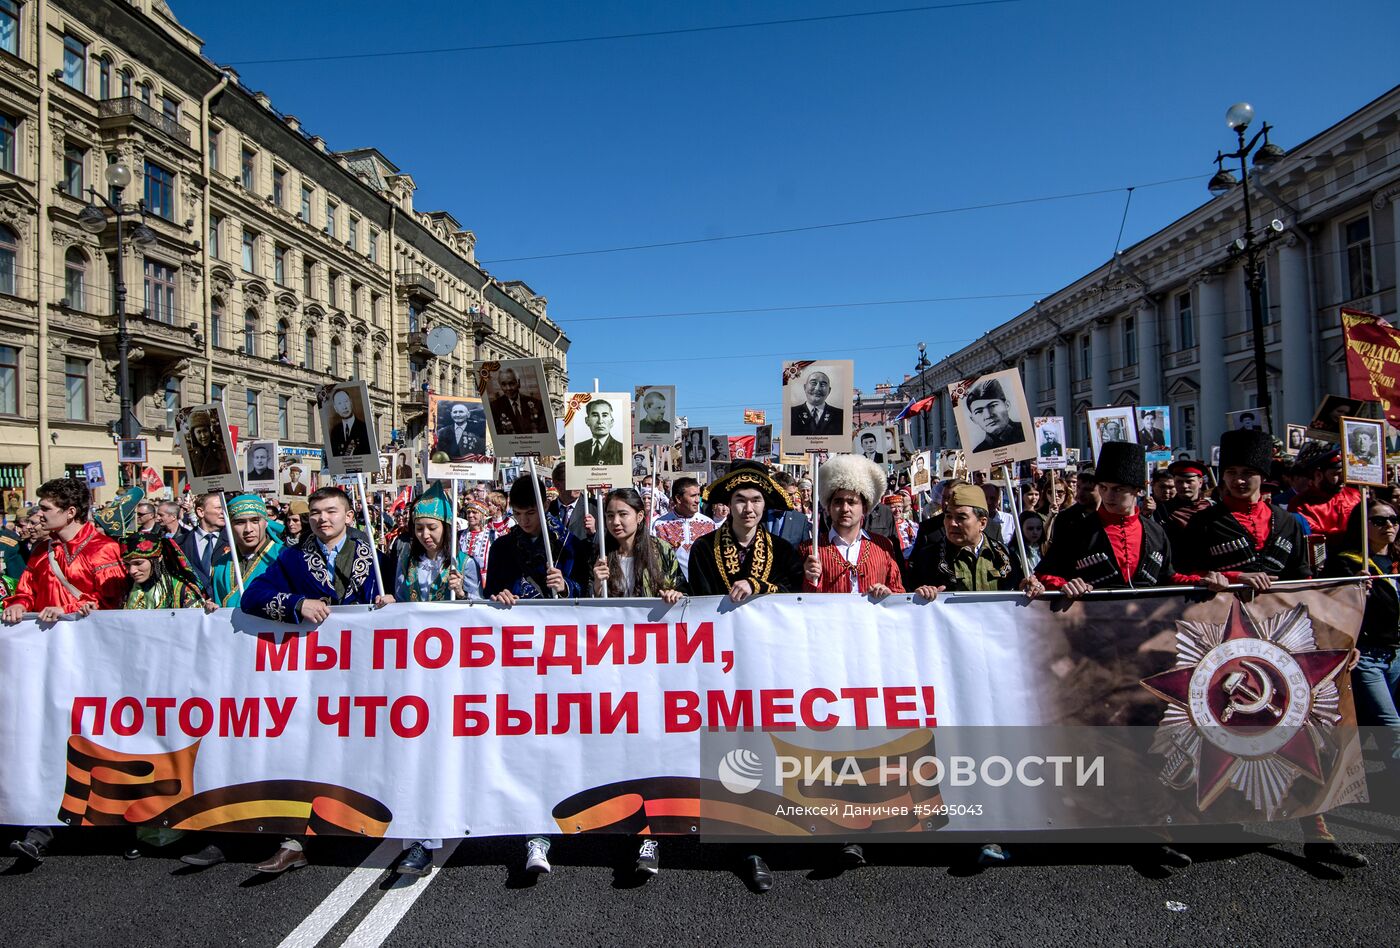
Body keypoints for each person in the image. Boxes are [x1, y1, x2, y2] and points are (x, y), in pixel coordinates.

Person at [239, 486, 393, 874]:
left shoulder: (378, 555)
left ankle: (388, 824)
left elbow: (406, 598)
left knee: (374, 747)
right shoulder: (292, 558)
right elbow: (252, 596)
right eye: (315, 513)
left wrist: (395, 603)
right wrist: (297, 604)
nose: (322, 519)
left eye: (331, 511)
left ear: (348, 516)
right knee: (309, 753)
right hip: (317, 673)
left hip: (370, 671)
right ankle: (295, 839)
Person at [683, 461, 802, 891]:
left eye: (755, 500)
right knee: (727, 742)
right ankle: (736, 831)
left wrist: (759, 586)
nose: (748, 508)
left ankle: (761, 833)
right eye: (740, 500)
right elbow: (696, 599)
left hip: (769, 665)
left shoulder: (786, 551)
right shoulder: (702, 549)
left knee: (765, 740)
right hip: (720, 664)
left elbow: (796, 598)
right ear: (727, 506)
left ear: (764, 505)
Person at [3, 478, 127, 867]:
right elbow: (26, 589)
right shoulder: (42, 550)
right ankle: (41, 828)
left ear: (70, 512)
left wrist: (74, 609)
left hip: (95, 667)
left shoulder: (104, 549)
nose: (38, 515)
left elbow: (114, 603)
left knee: (101, 742)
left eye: (46, 509)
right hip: (47, 666)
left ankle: (124, 825)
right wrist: (19, 605)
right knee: (48, 742)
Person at [1036, 443, 1222, 600]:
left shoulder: (1155, 531)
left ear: (1138, 490)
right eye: (1103, 487)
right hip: (1092, 625)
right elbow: (1043, 575)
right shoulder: (1077, 530)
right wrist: (1065, 585)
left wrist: (1201, 581)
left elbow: (1168, 577)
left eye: (1118, 489)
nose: (1108, 496)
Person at [1323, 499, 1400, 787]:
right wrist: (1349, 588)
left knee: (1367, 723)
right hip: (1366, 656)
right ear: (1362, 525)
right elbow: (1325, 604)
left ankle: (1332, 778)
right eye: (1379, 520)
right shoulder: (1346, 562)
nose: (1389, 525)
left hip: (1397, 654)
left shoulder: (1396, 560)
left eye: (1393, 519)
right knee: (1392, 727)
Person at [1177, 430, 1310, 581]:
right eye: (1231, 472)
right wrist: (1234, 577)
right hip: (1223, 602)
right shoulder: (1204, 521)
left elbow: (1301, 574)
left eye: (1247, 473)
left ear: (1263, 476)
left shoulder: (1287, 521)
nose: (1238, 480)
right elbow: (1185, 572)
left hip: (1279, 603)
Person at [799, 455, 904, 598]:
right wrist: (810, 581)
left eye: (852, 502)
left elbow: (899, 594)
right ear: (828, 508)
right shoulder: (810, 550)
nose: (845, 508)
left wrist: (888, 594)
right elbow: (798, 605)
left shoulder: (883, 546)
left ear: (864, 508)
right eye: (838, 502)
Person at [209, 494, 286, 609]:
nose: (248, 529)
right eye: (240, 522)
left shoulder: (285, 558)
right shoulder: (220, 566)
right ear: (229, 526)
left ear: (265, 522)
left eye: (255, 521)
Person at [1289, 443, 1362, 545]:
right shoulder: (1300, 504)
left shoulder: (1355, 496)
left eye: (1344, 474)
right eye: (1336, 474)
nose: (1342, 479)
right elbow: (1313, 536)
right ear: (1318, 475)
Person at [651, 476, 717, 580]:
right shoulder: (660, 525)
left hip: (703, 586)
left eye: (698, 495)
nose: (697, 500)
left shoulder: (709, 524)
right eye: (693, 496)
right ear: (678, 498)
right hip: (673, 588)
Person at [121, 532, 208, 610]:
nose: (132, 571)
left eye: (138, 563)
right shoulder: (128, 589)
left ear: (159, 558)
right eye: (127, 564)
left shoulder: (184, 590)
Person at [175, 493, 228, 596]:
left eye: (225, 508)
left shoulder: (234, 543)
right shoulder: (179, 543)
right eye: (218, 508)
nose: (223, 512)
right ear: (200, 512)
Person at [964, 378, 1026, 452]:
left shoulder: (1027, 434)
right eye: (979, 411)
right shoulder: (978, 452)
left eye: (993, 406)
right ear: (973, 419)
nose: (988, 415)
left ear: (1007, 405)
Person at [489, 366, 549, 435]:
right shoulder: (494, 407)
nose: (508, 388)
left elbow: (544, 432)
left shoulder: (537, 404)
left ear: (519, 383)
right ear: (500, 386)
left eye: (511, 383)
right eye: (504, 384)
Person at [765, 470, 812, 547]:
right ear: (776, 493)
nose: (794, 499)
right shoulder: (758, 516)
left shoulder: (800, 520)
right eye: (789, 495)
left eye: (794, 494)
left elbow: (805, 551)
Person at [790, 369, 843, 436]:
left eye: (823, 384)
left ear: (829, 390)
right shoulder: (791, 413)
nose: (817, 388)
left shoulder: (840, 415)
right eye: (813, 383)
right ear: (805, 387)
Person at [574, 399, 623, 466]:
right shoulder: (578, 448)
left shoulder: (621, 449)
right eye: (595, 415)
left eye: (605, 415)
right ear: (587, 421)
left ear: (612, 422)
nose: (600, 421)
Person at [327, 389, 371, 458]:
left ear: (351, 402)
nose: (344, 407)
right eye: (339, 403)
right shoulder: (335, 432)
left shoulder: (364, 428)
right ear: (335, 409)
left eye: (346, 401)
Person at [186, 411, 231, 477]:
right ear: (194, 435)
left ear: (209, 431)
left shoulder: (221, 452)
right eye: (199, 432)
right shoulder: (190, 455)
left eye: (205, 430)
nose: (203, 435)